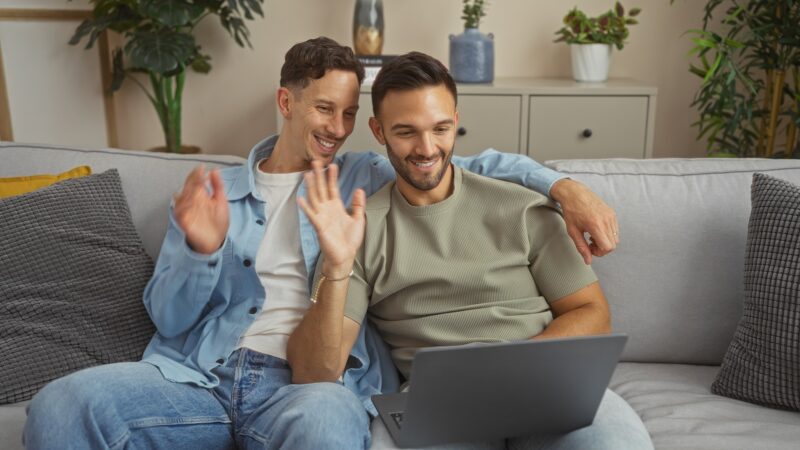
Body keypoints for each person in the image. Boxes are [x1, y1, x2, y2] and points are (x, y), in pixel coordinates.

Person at [23, 38, 618, 450]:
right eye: (325, 109)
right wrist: (202, 251)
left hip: (311, 386)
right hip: (197, 378)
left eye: (350, 114)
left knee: (323, 420)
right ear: (288, 102)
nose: (337, 128)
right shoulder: (212, 193)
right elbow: (169, 317)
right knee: (62, 402)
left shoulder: (364, 177)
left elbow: (451, 158)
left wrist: (560, 184)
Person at [289, 51, 651, 449]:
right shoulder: (357, 229)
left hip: (543, 384)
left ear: (456, 122)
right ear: (378, 131)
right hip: (440, 409)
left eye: (440, 128)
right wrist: (337, 267)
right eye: (406, 132)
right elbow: (315, 371)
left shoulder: (522, 205)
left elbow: (592, 312)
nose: (427, 149)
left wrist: (514, 369)